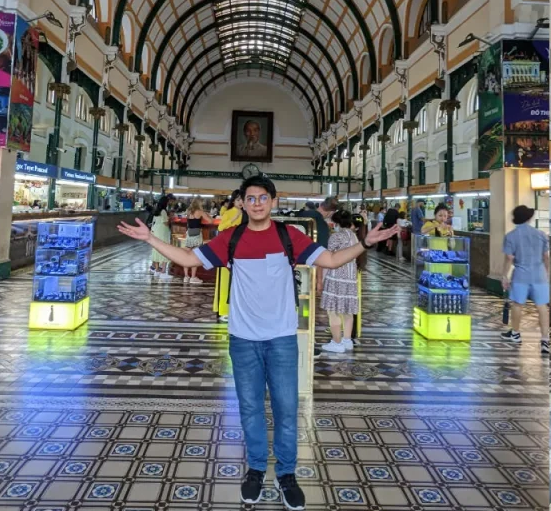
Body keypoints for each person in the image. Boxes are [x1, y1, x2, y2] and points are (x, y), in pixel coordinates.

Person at [117, 176, 397, 511]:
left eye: (263, 197)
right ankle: (256, 469)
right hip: (243, 339)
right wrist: (150, 238)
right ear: (243, 203)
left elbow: (333, 261)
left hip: (280, 338)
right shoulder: (230, 238)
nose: (257, 203)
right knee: (249, 409)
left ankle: (287, 474)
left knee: (286, 409)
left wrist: (365, 242)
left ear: (273, 201)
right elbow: (190, 259)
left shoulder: (289, 236)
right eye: (251, 198)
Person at [500, 206, 551, 354]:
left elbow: (509, 258)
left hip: (521, 275)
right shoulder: (541, 234)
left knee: (517, 305)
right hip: (539, 275)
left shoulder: (511, 236)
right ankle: (545, 340)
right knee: (542, 307)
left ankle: (515, 333)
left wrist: (505, 276)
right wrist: (546, 272)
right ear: (529, 218)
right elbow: (546, 256)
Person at [320, 210, 364, 354]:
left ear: (337, 223)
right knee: (347, 311)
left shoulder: (336, 237)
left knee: (333, 312)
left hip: (336, 277)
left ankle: (337, 342)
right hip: (350, 278)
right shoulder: (354, 236)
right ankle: (347, 340)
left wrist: (321, 279)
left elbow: (329, 259)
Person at [213, 190, 245, 323]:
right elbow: (221, 227)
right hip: (227, 249)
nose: (240, 203)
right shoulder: (229, 212)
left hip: (238, 249)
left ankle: (231, 309)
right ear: (233, 201)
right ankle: (223, 310)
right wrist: (233, 219)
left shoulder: (244, 213)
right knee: (225, 279)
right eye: (238, 200)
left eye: (242, 200)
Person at [184, 198, 213, 284]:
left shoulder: (188, 211)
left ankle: (186, 277)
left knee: (186, 255)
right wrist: (208, 215)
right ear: (199, 203)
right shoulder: (200, 211)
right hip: (197, 235)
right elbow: (210, 221)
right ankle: (193, 277)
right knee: (196, 256)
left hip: (189, 234)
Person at [149, 194, 174, 280]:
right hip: (162, 232)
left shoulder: (156, 210)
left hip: (155, 231)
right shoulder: (163, 211)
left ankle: (156, 271)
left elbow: (154, 222)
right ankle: (163, 271)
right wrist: (170, 218)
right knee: (165, 249)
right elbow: (165, 223)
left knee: (156, 250)